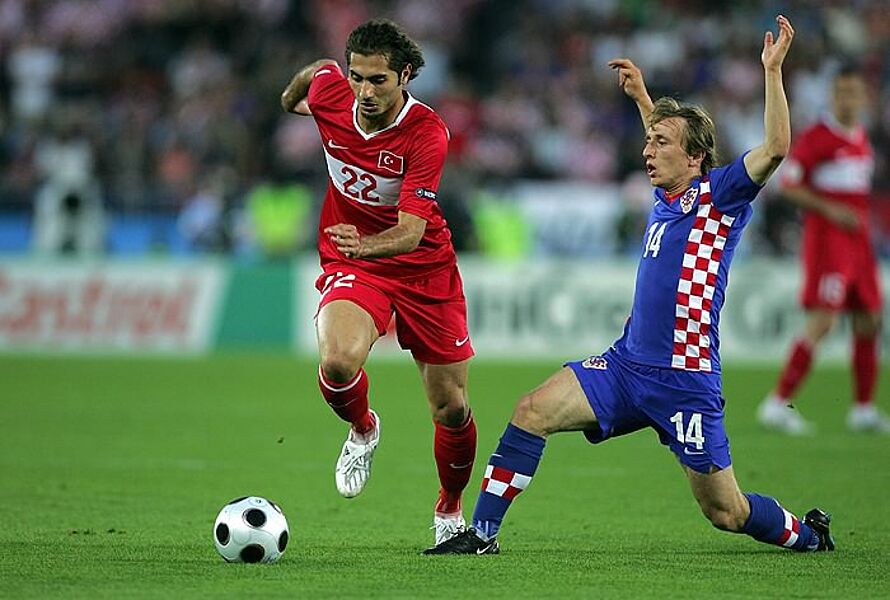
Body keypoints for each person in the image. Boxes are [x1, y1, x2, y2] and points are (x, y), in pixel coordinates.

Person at [425, 15, 835, 556]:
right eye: (648, 141)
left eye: (660, 143)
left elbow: (776, 147)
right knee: (530, 411)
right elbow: (665, 140)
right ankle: (481, 535)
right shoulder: (666, 196)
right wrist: (644, 98)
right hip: (625, 366)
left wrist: (773, 71)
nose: (647, 151)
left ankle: (808, 535)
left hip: (685, 380)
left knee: (726, 512)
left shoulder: (720, 196)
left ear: (695, 158)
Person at [280, 19, 477, 545]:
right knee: (338, 362)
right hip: (356, 264)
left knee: (451, 408)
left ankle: (449, 510)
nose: (365, 92)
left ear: (406, 76)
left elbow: (411, 233)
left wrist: (363, 244)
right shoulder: (331, 92)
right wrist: (307, 86)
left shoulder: (426, 133)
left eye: (378, 80)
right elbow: (301, 88)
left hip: (424, 269)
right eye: (356, 77)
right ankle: (364, 427)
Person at [757, 64, 888, 435]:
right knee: (824, 321)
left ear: (864, 97)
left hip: (859, 244)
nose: (847, 99)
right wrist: (831, 209)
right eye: (841, 92)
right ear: (832, 96)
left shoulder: (860, 137)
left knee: (869, 319)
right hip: (830, 243)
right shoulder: (818, 137)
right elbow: (788, 184)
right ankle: (777, 402)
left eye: (853, 93)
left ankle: (863, 409)